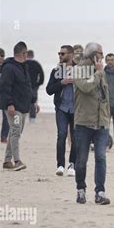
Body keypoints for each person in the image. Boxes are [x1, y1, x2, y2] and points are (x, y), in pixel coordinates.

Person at [73, 42, 111, 205]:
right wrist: (98, 73)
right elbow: (87, 87)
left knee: (101, 158)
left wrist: (107, 122)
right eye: (101, 54)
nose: (103, 57)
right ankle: (81, 190)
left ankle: (100, 193)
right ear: (93, 55)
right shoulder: (78, 70)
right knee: (81, 160)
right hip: (83, 123)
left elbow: (105, 97)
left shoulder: (101, 71)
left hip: (101, 124)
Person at [2, 41, 40, 171]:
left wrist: (33, 101)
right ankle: (17, 161)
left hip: (23, 106)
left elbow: (28, 86)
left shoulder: (23, 67)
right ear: (23, 53)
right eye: (26, 53)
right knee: (16, 131)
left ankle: (7, 161)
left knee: (15, 132)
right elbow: (5, 87)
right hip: (14, 107)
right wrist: (9, 104)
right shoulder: (8, 68)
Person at [46, 45, 76, 177]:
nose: (60, 56)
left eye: (63, 54)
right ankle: (60, 165)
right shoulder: (56, 70)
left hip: (76, 109)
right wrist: (62, 82)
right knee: (61, 135)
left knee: (75, 138)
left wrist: (77, 82)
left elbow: (89, 87)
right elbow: (48, 90)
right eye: (59, 54)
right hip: (61, 108)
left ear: (71, 54)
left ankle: (72, 165)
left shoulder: (80, 70)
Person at [25, 49, 44, 123]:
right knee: (33, 101)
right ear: (33, 55)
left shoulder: (24, 63)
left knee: (23, 101)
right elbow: (42, 75)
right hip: (34, 86)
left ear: (26, 55)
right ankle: (32, 118)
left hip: (24, 85)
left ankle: (23, 115)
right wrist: (39, 83)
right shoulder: (36, 64)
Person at [0, 47, 10, 143]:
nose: (0, 58)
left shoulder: (7, 67)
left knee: (6, 117)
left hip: (4, 94)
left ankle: (4, 136)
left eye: (2, 56)